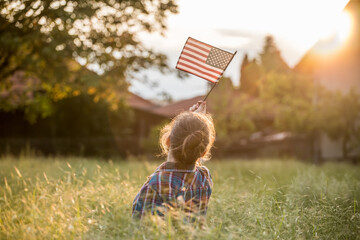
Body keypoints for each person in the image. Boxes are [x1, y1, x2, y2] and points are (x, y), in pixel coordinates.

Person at [132, 101, 215, 221]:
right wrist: (194, 122)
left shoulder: (156, 184)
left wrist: (190, 121)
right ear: (204, 152)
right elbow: (193, 150)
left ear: (167, 140)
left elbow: (138, 225)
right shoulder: (204, 177)